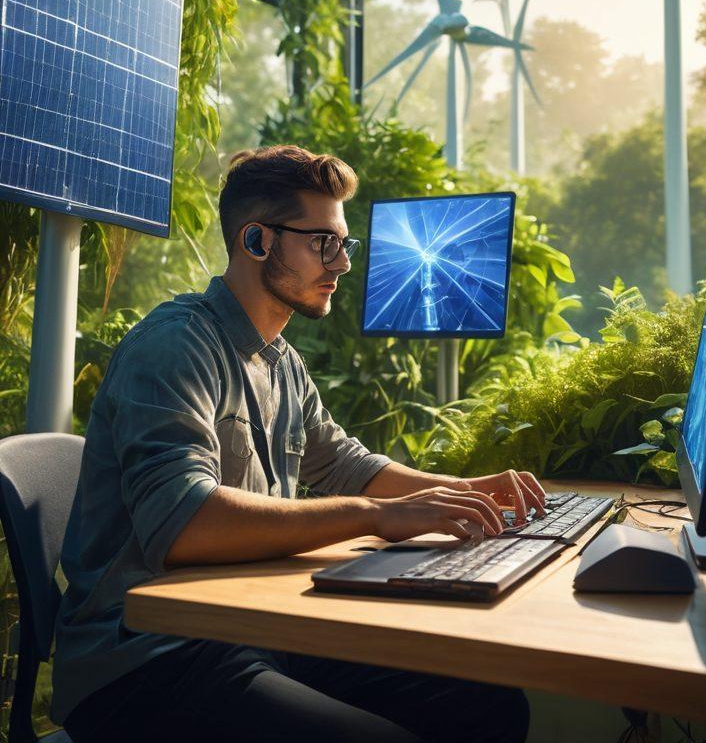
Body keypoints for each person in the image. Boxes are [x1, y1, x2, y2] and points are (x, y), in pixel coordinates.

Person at [54, 145, 543, 743]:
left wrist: (463, 491)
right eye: (323, 243)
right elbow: (182, 524)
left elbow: (345, 464)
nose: (341, 264)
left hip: (252, 628)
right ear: (257, 241)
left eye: (344, 245)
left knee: (489, 705)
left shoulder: (281, 361)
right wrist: (380, 517)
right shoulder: (174, 349)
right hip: (143, 660)